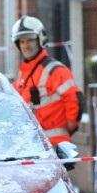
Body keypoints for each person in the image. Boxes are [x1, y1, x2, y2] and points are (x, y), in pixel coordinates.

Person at [11, 15, 83, 145]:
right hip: (34, 145)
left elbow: (75, 101)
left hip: (55, 145)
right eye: (22, 42)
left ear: (40, 40)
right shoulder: (23, 75)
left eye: (30, 40)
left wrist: (64, 131)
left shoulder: (55, 70)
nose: (25, 46)